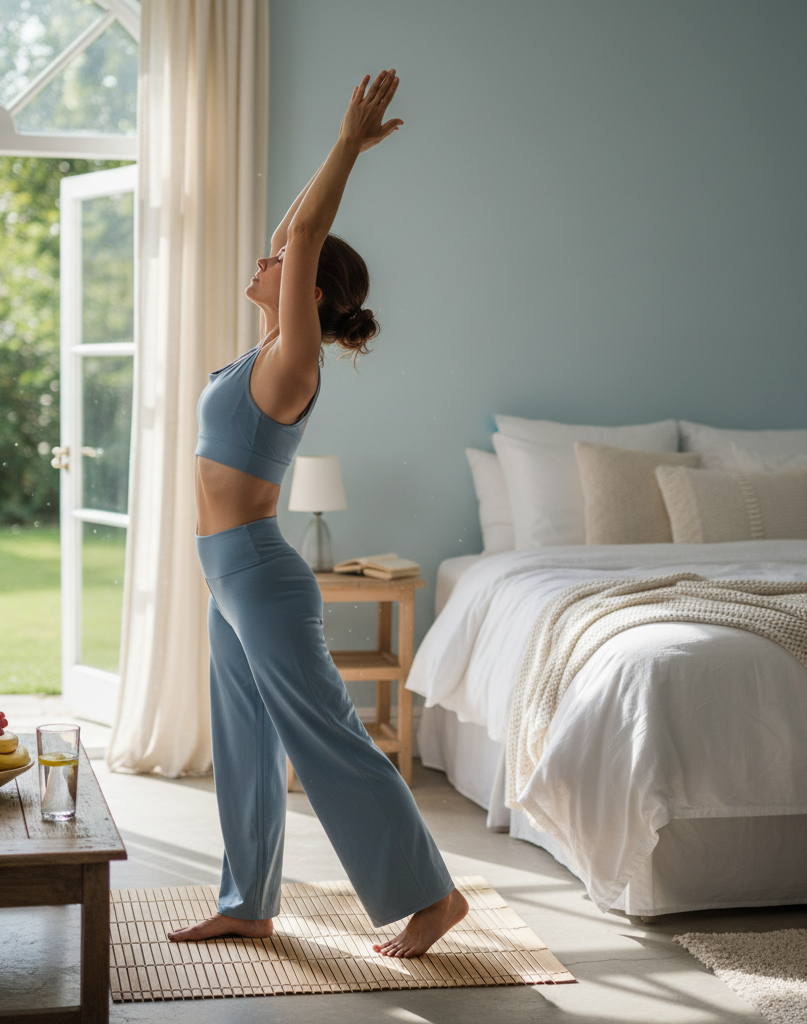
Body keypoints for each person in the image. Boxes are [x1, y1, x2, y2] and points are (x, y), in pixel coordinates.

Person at [168, 70, 468, 959]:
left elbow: (300, 233)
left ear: (307, 288)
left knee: (326, 736)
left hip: (259, 575)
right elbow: (290, 231)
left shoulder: (295, 360)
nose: (265, 257)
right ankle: (249, 902)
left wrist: (348, 145)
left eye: (283, 261)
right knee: (244, 740)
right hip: (227, 576)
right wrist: (332, 165)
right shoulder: (261, 350)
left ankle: (432, 898)